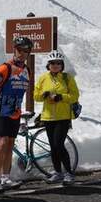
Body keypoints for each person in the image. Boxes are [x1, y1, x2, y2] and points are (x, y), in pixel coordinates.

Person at [0, 36, 32, 194]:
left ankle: (5, 178)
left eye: (26, 51)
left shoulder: (27, 70)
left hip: (14, 113)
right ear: (14, 50)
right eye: (19, 50)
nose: (22, 53)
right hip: (0, 112)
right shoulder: (5, 69)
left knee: (10, 144)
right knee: (2, 142)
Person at [34, 50, 80, 186]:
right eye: (52, 63)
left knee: (59, 144)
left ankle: (69, 173)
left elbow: (75, 96)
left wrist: (61, 97)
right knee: (53, 147)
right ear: (48, 65)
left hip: (63, 117)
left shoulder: (67, 78)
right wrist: (43, 95)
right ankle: (58, 172)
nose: (55, 65)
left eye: (58, 63)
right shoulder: (43, 78)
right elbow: (35, 96)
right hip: (48, 117)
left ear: (62, 65)